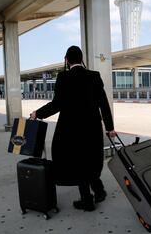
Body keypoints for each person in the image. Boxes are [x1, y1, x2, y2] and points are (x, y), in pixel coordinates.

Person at [30, 46, 116, 212]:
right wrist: (110, 128)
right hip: (92, 129)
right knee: (89, 160)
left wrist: (37, 114)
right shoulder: (94, 76)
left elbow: (57, 104)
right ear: (81, 58)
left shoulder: (63, 77)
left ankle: (87, 201)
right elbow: (103, 104)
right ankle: (99, 191)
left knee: (78, 162)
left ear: (67, 60)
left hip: (70, 130)